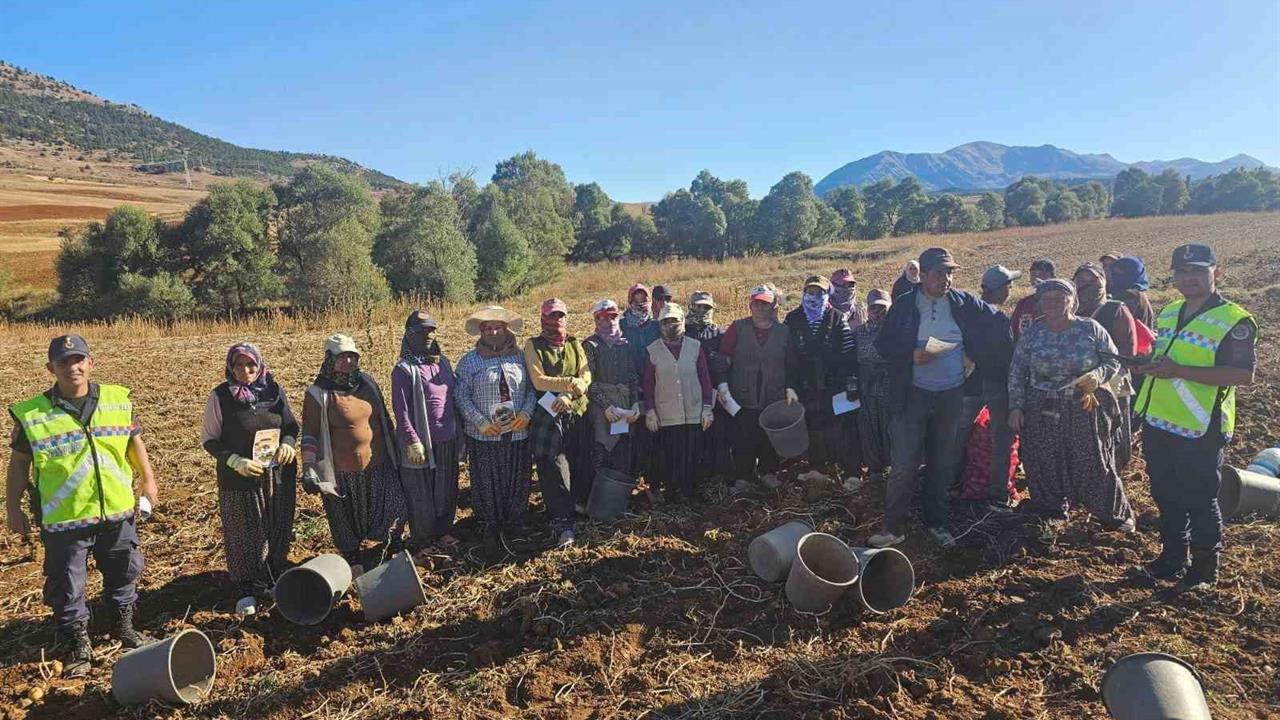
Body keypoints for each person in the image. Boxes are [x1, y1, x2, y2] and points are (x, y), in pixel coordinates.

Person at [6, 334, 158, 676]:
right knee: (67, 584)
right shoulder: (33, 414)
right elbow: (18, 465)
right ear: (51, 368)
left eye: (78, 360)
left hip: (116, 511)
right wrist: (12, 507)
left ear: (90, 362)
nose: (72, 367)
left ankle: (124, 628)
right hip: (65, 518)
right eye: (63, 362)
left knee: (123, 572)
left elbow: (134, 443)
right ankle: (77, 643)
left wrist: (147, 479)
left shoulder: (117, 400)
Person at [868, 248, 1010, 548]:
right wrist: (910, 356)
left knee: (942, 460)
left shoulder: (963, 302)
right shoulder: (905, 305)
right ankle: (893, 527)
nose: (946, 278)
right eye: (939, 272)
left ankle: (936, 521)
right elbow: (883, 345)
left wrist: (974, 356)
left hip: (951, 395)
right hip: (912, 395)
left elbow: (998, 322)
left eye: (950, 273)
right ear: (923, 273)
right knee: (905, 463)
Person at [1135, 244, 1256, 591]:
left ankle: (1204, 569)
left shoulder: (1235, 320)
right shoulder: (1171, 311)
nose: (1188, 278)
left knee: (1200, 497)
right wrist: (1150, 365)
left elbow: (1242, 374)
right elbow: (1166, 358)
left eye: (1197, 271)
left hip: (1201, 426)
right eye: (1181, 272)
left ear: (1217, 273)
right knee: (1165, 493)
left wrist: (1179, 371)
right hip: (1159, 420)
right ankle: (1172, 556)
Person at [1008, 279, 1135, 532]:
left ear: (1072, 300)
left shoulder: (1091, 328)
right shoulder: (1033, 332)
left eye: (1060, 297)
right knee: (1043, 457)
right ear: (1040, 303)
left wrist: (1097, 376)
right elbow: (1017, 370)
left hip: (1083, 404)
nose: (1053, 302)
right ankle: (1050, 507)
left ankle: (1114, 513)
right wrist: (1016, 407)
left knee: (1092, 458)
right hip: (1041, 403)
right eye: (1047, 298)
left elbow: (1113, 362)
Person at [200, 342, 298, 616]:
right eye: (239, 365)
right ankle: (246, 588)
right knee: (245, 531)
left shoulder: (274, 391)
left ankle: (273, 577)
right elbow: (209, 439)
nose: (246, 370)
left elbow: (290, 425)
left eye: (251, 364)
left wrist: (289, 443)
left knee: (278, 525)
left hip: (277, 473)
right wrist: (235, 461)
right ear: (230, 367)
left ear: (260, 364)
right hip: (240, 478)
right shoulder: (220, 397)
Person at [301, 334, 407, 574]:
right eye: (342, 357)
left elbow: (384, 418)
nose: (348, 362)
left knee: (395, 507)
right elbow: (310, 433)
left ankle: (392, 547)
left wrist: (397, 448)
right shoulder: (319, 394)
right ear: (329, 360)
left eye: (352, 356)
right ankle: (352, 557)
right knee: (345, 518)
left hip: (379, 463)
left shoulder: (367, 383)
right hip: (342, 472)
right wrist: (308, 466)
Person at [456, 306, 536, 555]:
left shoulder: (521, 357)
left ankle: (515, 520)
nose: (493, 332)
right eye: (488, 328)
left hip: (516, 431)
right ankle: (489, 523)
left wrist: (525, 413)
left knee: (516, 475)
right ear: (480, 332)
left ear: (506, 329)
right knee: (486, 478)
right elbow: (461, 395)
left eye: (498, 328)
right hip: (484, 433)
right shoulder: (470, 361)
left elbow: (533, 389)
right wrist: (480, 421)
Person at [391, 311, 462, 564]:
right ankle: (422, 540)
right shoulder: (403, 370)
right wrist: (412, 439)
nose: (429, 336)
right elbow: (402, 410)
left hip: (447, 439)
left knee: (446, 488)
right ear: (410, 335)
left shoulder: (442, 363)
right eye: (422, 331)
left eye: (432, 330)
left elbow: (454, 398)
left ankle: (443, 531)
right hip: (420, 443)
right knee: (420, 492)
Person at [523, 298, 592, 545]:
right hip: (548, 414)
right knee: (554, 467)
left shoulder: (574, 343)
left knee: (578, 459)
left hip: (575, 410)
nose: (556, 320)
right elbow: (539, 380)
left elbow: (585, 374)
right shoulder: (533, 345)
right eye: (551, 316)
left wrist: (571, 391)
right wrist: (569, 385)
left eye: (560, 315)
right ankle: (561, 521)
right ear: (543, 318)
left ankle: (576, 507)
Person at [719, 284, 799, 491]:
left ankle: (768, 472)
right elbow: (723, 359)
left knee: (769, 435)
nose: (761, 308)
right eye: (757, 303)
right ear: (750, 305)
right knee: (744, 435)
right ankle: (743, 476)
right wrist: (722, 385)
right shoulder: (737, 328)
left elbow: (791, 364)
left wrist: (790, 387)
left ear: (773, 306)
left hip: (773, 393)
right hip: (743, 393)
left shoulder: (783, 332)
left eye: (766, 304)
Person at [783, 275, 860, 483]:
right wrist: (789, 385)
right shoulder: (793, 318)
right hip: (804, 384)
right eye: (811, 292)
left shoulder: (836, 317)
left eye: (820, 293)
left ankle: (850, 473)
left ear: (828, 294)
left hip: (834, 383)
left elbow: (848, 353)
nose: (814, 297)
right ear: (804, 293)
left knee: (841, 428)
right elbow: (788, 356)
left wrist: (850, 382)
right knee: (812, 425)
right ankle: (817, 469)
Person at [643, 303, 715, 501]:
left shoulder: (695, 347)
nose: (670, 325)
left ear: (682, 321)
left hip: (693, 411)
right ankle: (673, 492)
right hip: (667, 413)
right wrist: (650, 411)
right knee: (671, 455)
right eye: (665, 321)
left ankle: (690, 492)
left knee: (692, 454)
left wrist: (707, 407)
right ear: (660, 325)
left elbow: (705, 378)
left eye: (674, 320)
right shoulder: (653, 350)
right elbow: (648, 384)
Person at [965, 265, 1021, 511]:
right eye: (1009, 285)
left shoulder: (969, 314)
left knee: (957, 434)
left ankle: (952, 484)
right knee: (1002, 438)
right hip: (997, 384)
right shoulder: (997, 318)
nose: (1011, 289)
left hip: (969, 383)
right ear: (999, 290)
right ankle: (998, 495)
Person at [1073, 262, 1138, 470]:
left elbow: (1128, 351)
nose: (1086, 285)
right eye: (1081, 280)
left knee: (1113, 429)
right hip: (1081, 381)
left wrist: (1103, 373)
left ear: (1104, 282)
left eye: (1093, 279)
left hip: (1113, 380)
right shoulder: (1071, 310)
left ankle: (1114, 469)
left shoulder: (1115, 309)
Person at [582, 299, 641, 496]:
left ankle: (618, 496)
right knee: (600, 448)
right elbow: (588, 381)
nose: (610, 321)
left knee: (623, 447)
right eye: (604, 317)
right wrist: (606, 406)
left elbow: (632, 376)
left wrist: (635, 403)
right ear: (596, 319)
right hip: (600, 406)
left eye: (614, 316)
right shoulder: (590, 345)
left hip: (624, 403)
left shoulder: (624, 344)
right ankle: (597, 496)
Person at [685, 291, 733, 482]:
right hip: (688, 392)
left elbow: (726, 362)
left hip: (714, 392)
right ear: (690, 307)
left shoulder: (719, 333)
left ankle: (718, 475)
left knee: (717, 433)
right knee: (693, 437)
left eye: (706, 307)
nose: (702, 310)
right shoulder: (681, 332)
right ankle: (696, 476)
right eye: (698, 306)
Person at [621, 284, 661, 483]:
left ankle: (652, 480)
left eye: (643, 300)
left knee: (651, 436)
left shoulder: (657, 326)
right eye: (635, 301)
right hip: (628, 388)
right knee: (631, 436)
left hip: (654, 388)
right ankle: (631, 478)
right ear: (629, 303)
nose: (640, 305)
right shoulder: (621, 326)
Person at [853, 289, 894, 478]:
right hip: (866, 387)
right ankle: (874, 468)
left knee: (890, 429)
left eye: (883, 308)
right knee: (868, 428)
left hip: (889, 388)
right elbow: (852, 360)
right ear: (867, 309)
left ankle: (893, 466)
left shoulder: (897, 332)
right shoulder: (859, 332)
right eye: (874, 308)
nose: (878, 312)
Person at [1010, 258, 1057, 339]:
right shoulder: (1024, 303)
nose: (1037, 278)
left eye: (1042, 274)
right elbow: (1013, 331)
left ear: (1053, 277)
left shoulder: (1061, 302)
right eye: (1034, 274)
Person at [1109, 255, 1156, 330]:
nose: (1115, 277)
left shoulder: (1130, 296)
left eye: (1121, 273)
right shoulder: (1140, 294)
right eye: (1114, 273)